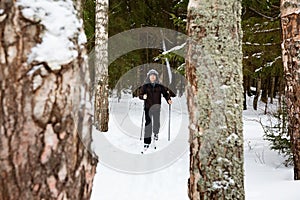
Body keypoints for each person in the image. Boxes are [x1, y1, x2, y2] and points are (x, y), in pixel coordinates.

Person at [139, 69, 173, 150]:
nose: (153, 77)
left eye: (154, 75)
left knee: (156, 123)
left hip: (157, 107)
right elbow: (140, 95)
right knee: (148, 124)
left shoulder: (160, 85)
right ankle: (147, 141)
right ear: (149, 77)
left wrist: (168, 99)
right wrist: (143, 97)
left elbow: (165, 93)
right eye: (151, 75)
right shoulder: (145, 86)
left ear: (156, 77)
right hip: (148, 107)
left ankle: (156, 133)